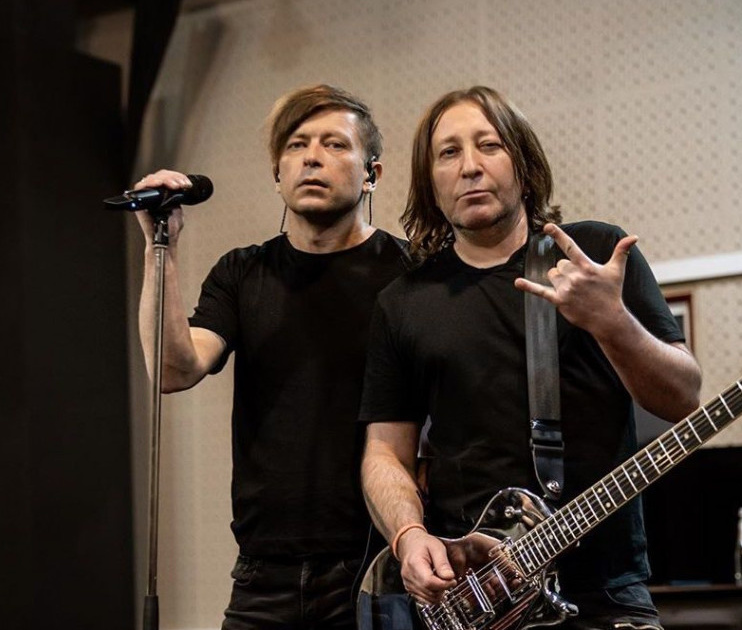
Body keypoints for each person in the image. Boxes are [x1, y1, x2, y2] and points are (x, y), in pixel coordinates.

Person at [359, 86, 702, 629]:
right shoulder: (403, 303)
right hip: (472, 601)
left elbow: (682, 397)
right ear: (430, 182)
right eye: (448, 153)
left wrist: (611, 320)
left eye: (489, 145)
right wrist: (408, 535)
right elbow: (385, 452)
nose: (470, 166)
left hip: (606, 593)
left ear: (523, 163)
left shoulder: (592, 256)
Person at [134, 84, 409, 629]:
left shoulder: (410, 276)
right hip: (263, 573)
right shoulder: (243, 272)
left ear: (371, 173)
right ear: (277, 174)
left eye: (334, 144)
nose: (312, 157)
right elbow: (173, 369)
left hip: (376, 569)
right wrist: (159, 245)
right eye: (297, 145)